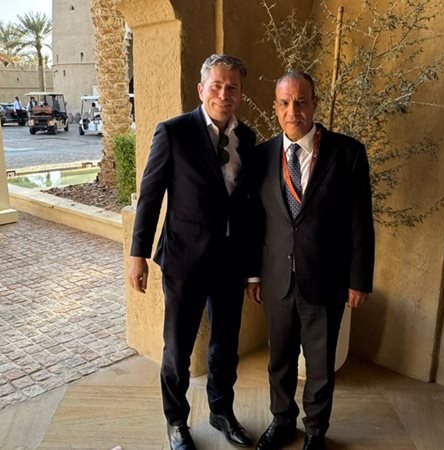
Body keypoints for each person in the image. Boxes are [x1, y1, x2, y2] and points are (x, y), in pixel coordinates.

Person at [129, 54, 258, 450]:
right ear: (201, 90)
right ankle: (176, 422)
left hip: (230, 262)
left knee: (226, 345)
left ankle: (221, 410)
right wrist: (137, 254)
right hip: (184, 261)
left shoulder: (248, 138)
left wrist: (252, 268)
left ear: (240, 94)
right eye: (216, 85)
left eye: (232, 87)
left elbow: (249, 207)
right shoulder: (174, 132)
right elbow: (150, 196)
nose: (224, 93)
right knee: (178, 349)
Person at [246, 71, 375, 450]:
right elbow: (255, 222)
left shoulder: (348, 153)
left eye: (301, 101)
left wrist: (358, 280)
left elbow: (360, 223)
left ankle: (316, 431)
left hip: (326, 280)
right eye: (285, 103)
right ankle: (282, 420)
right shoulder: (261, 156)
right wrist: (253, 275)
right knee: (280, 360)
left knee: (320, 365)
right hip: (277, 280)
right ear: (275, 107)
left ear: (314, 104)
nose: (293, 110)